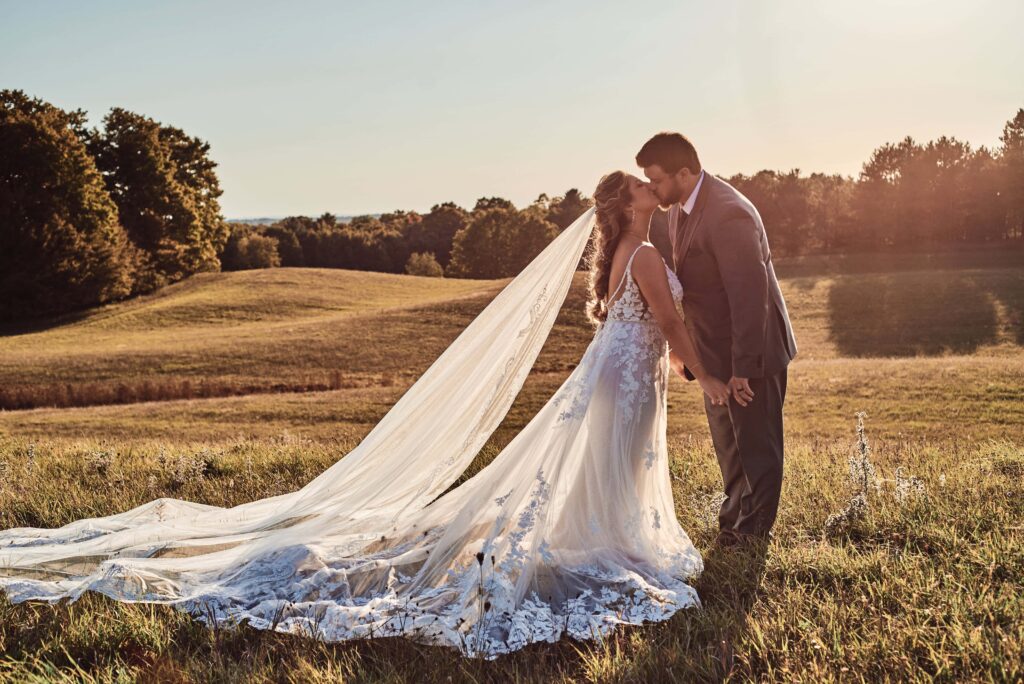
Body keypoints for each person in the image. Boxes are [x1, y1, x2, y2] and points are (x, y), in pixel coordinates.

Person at [0, 172, 727, 660]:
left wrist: (679, 367)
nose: (652, 189)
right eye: (642, 186)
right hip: (625, 380)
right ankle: (607, 546)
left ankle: (604, 538)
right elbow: (668, 322)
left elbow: (647, 329)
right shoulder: (645, 255)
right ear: (627, 204)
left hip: (618, 378)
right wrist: (709, 376)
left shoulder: (632, 249)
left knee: (614, 466)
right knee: (617, 465)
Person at [638, 132, 798, 545]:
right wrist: (690, 354)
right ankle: (733, 521)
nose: (652, 189)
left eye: (655, 180)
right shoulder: (678, 210)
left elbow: (751, 296)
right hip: (713, 351)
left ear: (684, 172)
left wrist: (744, 367)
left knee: (757, 445)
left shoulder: (728, 213)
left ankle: (753, 534)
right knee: (729, 443)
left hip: (752, 351)